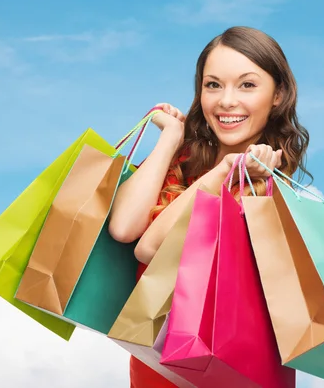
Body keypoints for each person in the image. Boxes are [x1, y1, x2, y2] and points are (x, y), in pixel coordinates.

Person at [108, 25, 311, 388]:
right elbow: (123, 228)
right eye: (213, 84)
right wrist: (170, 139)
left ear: (278, 95)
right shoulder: (182, 160)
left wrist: (225, 171)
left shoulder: (271, 194)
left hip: (227, 373)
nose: (226, 101)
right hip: (156, 368)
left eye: (247, 85)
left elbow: (151, 248)